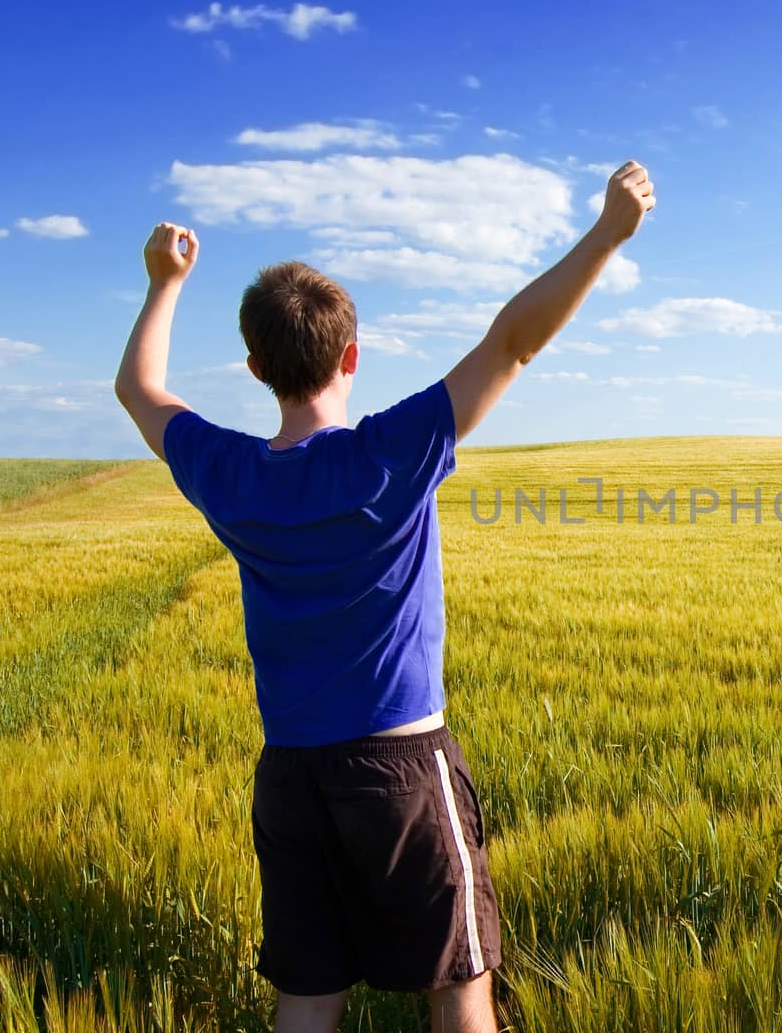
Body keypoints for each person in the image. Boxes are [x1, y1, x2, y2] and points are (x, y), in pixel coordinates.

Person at [114, 162, 656, 1032]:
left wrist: (164, 286)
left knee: (308, 995)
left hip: (290, 775)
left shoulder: (233, 476)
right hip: (401, 769)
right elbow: (513, 341)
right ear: (351, 356)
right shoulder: (387, 455)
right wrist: (606, 236)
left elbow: (139, 391)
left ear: (255, 367)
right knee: (459, 986)